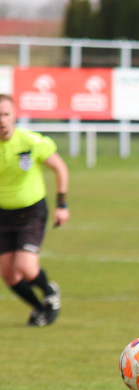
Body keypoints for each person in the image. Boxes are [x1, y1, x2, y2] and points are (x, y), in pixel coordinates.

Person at [0, 94, 67, 327]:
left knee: (25, 267)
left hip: (30, 212)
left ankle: (49, 290)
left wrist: (62, 204)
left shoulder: (31, 141)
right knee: (8, 274)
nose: (2, 120)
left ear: (14, 116)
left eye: (6, 114)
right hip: (2, 215)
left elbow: (59, 168)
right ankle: (40, 309)